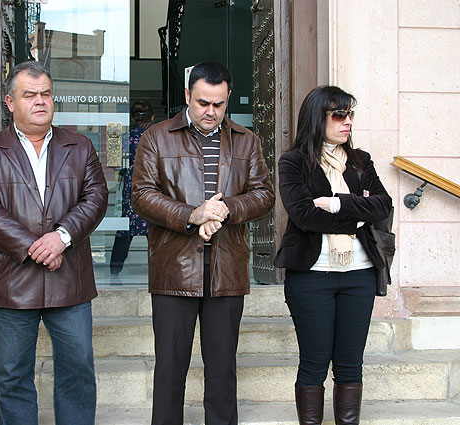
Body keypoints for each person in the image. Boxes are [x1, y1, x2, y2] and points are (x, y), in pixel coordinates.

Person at [0, 60, 108, 425]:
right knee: (13, 377)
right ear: (10, 102)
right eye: (29, 95)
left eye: (46, 93)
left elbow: (96, 197)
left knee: (78, 373)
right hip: (11, 282)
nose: (40, 101)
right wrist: (36, 247)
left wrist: (61, 238)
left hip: (69, 280)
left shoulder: (80, 146)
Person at [132, 61, 275, 425]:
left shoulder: (246, 140)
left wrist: (226, 209)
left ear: (228, 99)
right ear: (187, 96)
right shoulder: (157, 137)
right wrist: (193, 215)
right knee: (170, 368)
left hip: (226, 268)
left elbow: (264, 195)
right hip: (174, 268)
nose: (211, 111)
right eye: (202, 103)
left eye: (219, 104)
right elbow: (142, 196)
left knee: (223, 368)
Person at [274, 86, 392, 425]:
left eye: (350, 114)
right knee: (314, 362)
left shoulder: (360, 161)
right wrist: (359, 213)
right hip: (312, 276)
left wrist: (338, 204)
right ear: (317, 118)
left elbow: (383, 205)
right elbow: (303, 216)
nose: (347, 122)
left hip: (360, 275)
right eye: (339, 115)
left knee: (350, 364)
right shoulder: (293, 162)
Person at [109, 100, 154, 275]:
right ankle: (161, 271)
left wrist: (126, 172)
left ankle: (114, 269)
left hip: (131, 190)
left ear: (133, 118)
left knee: (125, 230)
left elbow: (112, 163)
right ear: (152, 117)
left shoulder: (125, 138)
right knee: (155, 230)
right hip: (155, 190)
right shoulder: (160, 137)